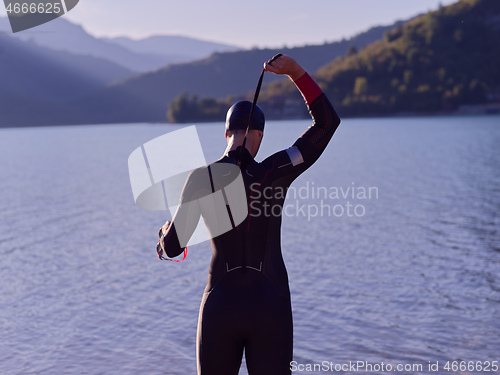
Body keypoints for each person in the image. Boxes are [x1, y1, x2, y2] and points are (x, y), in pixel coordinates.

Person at [157, 54, 341, 375]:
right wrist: (295, 73)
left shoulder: (201, 179)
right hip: (270, 304)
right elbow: (326, 122)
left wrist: (163, 234)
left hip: (220, 306)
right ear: (259, 134)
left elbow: (173, 247)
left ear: (226, 134)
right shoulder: (277, 170)